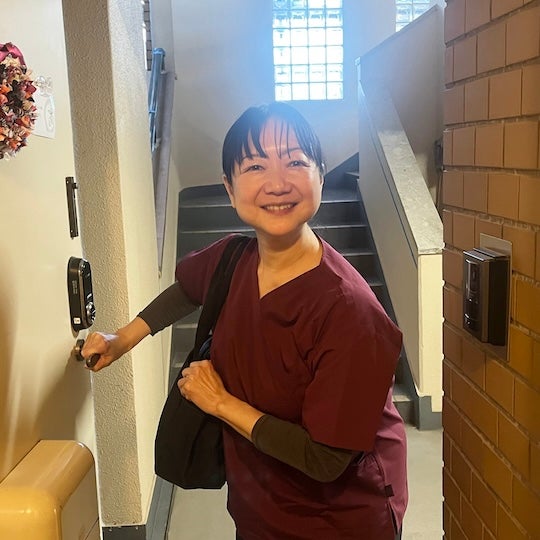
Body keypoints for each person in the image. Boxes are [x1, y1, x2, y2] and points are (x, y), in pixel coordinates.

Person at [83, 102, 408, 540]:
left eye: (295, 162)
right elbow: (187, 290)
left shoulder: (350, 312)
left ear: (321, 174)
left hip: (339, 517)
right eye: (255, 166)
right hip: (258, 501)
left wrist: (220, 403)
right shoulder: (233, 259)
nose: (277, 183)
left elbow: (326, 459)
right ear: (230, 187)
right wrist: (122, 338)